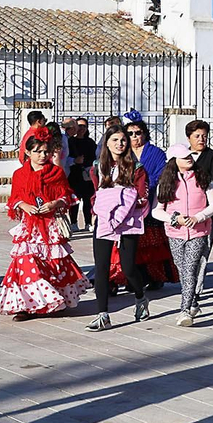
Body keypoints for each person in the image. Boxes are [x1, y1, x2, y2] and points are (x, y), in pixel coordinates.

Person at [0, 134, 87, 319]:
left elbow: (66, 196)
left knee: (53, 264)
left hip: (50, 226)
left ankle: (51, 301)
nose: (42, 155)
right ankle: (25, 306)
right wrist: (24, 205)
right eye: (37, 151)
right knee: (26, 261)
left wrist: (54, 203)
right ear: (28, 152)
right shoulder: (20, 174)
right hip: (29, 227)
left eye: (46, 152)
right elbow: (14, 198)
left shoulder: (57, 173)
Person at [151, 140, 213, 327]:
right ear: (174, 160)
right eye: (184, 157)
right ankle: (193, 302)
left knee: (190, 269)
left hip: (198, 232)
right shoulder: (166, 182)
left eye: (189, 155)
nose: (189, 158)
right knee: (182, 270)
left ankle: (184, 311)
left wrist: (198, 217)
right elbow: (156, 211)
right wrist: (174, 219)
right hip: (175, 233)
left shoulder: (203, 178)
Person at [88, 127, 152, 330]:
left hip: (128, 221)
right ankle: (102, 314)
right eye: (114, 139)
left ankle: (140, 297)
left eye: (123, 140)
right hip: (104, 221)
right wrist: (97, 209)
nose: (120, 144)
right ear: (106, 142)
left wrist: (124, 204)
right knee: (101, 267)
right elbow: (96, 193)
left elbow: (143, 196)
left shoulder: (136, 168)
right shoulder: (98, 167)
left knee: (128, 267)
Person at [117, 117, 178, 288]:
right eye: (130, 133)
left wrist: (143, 187)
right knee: (130, 245)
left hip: (150, 200)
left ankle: (155, 277)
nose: (134, 137)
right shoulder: (123, 153)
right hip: (127, 203)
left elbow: (161, 174)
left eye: (138, 133)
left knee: (152, 244)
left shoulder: (156, 153)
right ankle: (132, 278)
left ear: (144, 133)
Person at [185, 120, 213, 290]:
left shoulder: (212, 156)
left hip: (207, 212)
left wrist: (196, 181)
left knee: (203, 250)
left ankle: (196, 288)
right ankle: (187, 283)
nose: (201, 139)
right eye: (197, 136)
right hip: (184, 212)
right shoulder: (182, 156)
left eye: (204, 136)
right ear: (189, 138)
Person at [66, 118, 97, 232]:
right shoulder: (70, 141)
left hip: (88, 175)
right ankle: (73, 222)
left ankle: (88, 222)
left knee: (88, 200)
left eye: (84, 126)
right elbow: (65, 157)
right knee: (75, 200)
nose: (82, 128)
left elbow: (95, 157)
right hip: (74, 174)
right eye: (79, 126)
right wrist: (75, 161)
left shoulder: (90, 142)